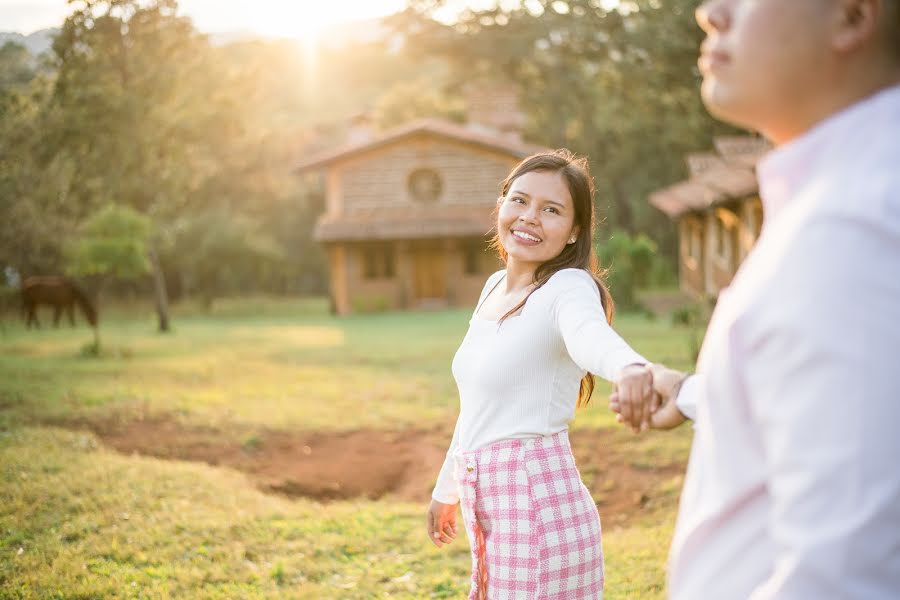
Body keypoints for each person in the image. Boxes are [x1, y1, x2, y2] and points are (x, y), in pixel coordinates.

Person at [611, 0, 900, 597]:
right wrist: (698, 393)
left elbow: (847, 576)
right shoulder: (849, 197)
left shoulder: (853, 229)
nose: (711, 12)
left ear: (851, 16)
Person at [426, 150, 656, 599]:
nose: (530, 217)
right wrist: (446, 488)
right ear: (502, 206)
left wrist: (629, 368)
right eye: (520, 201)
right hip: (490, 504)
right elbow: (477, 406)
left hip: (538, 508)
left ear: (574, 232)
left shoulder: (567, 288)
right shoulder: (494, 287)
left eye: (551, 210)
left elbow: (591, 336)